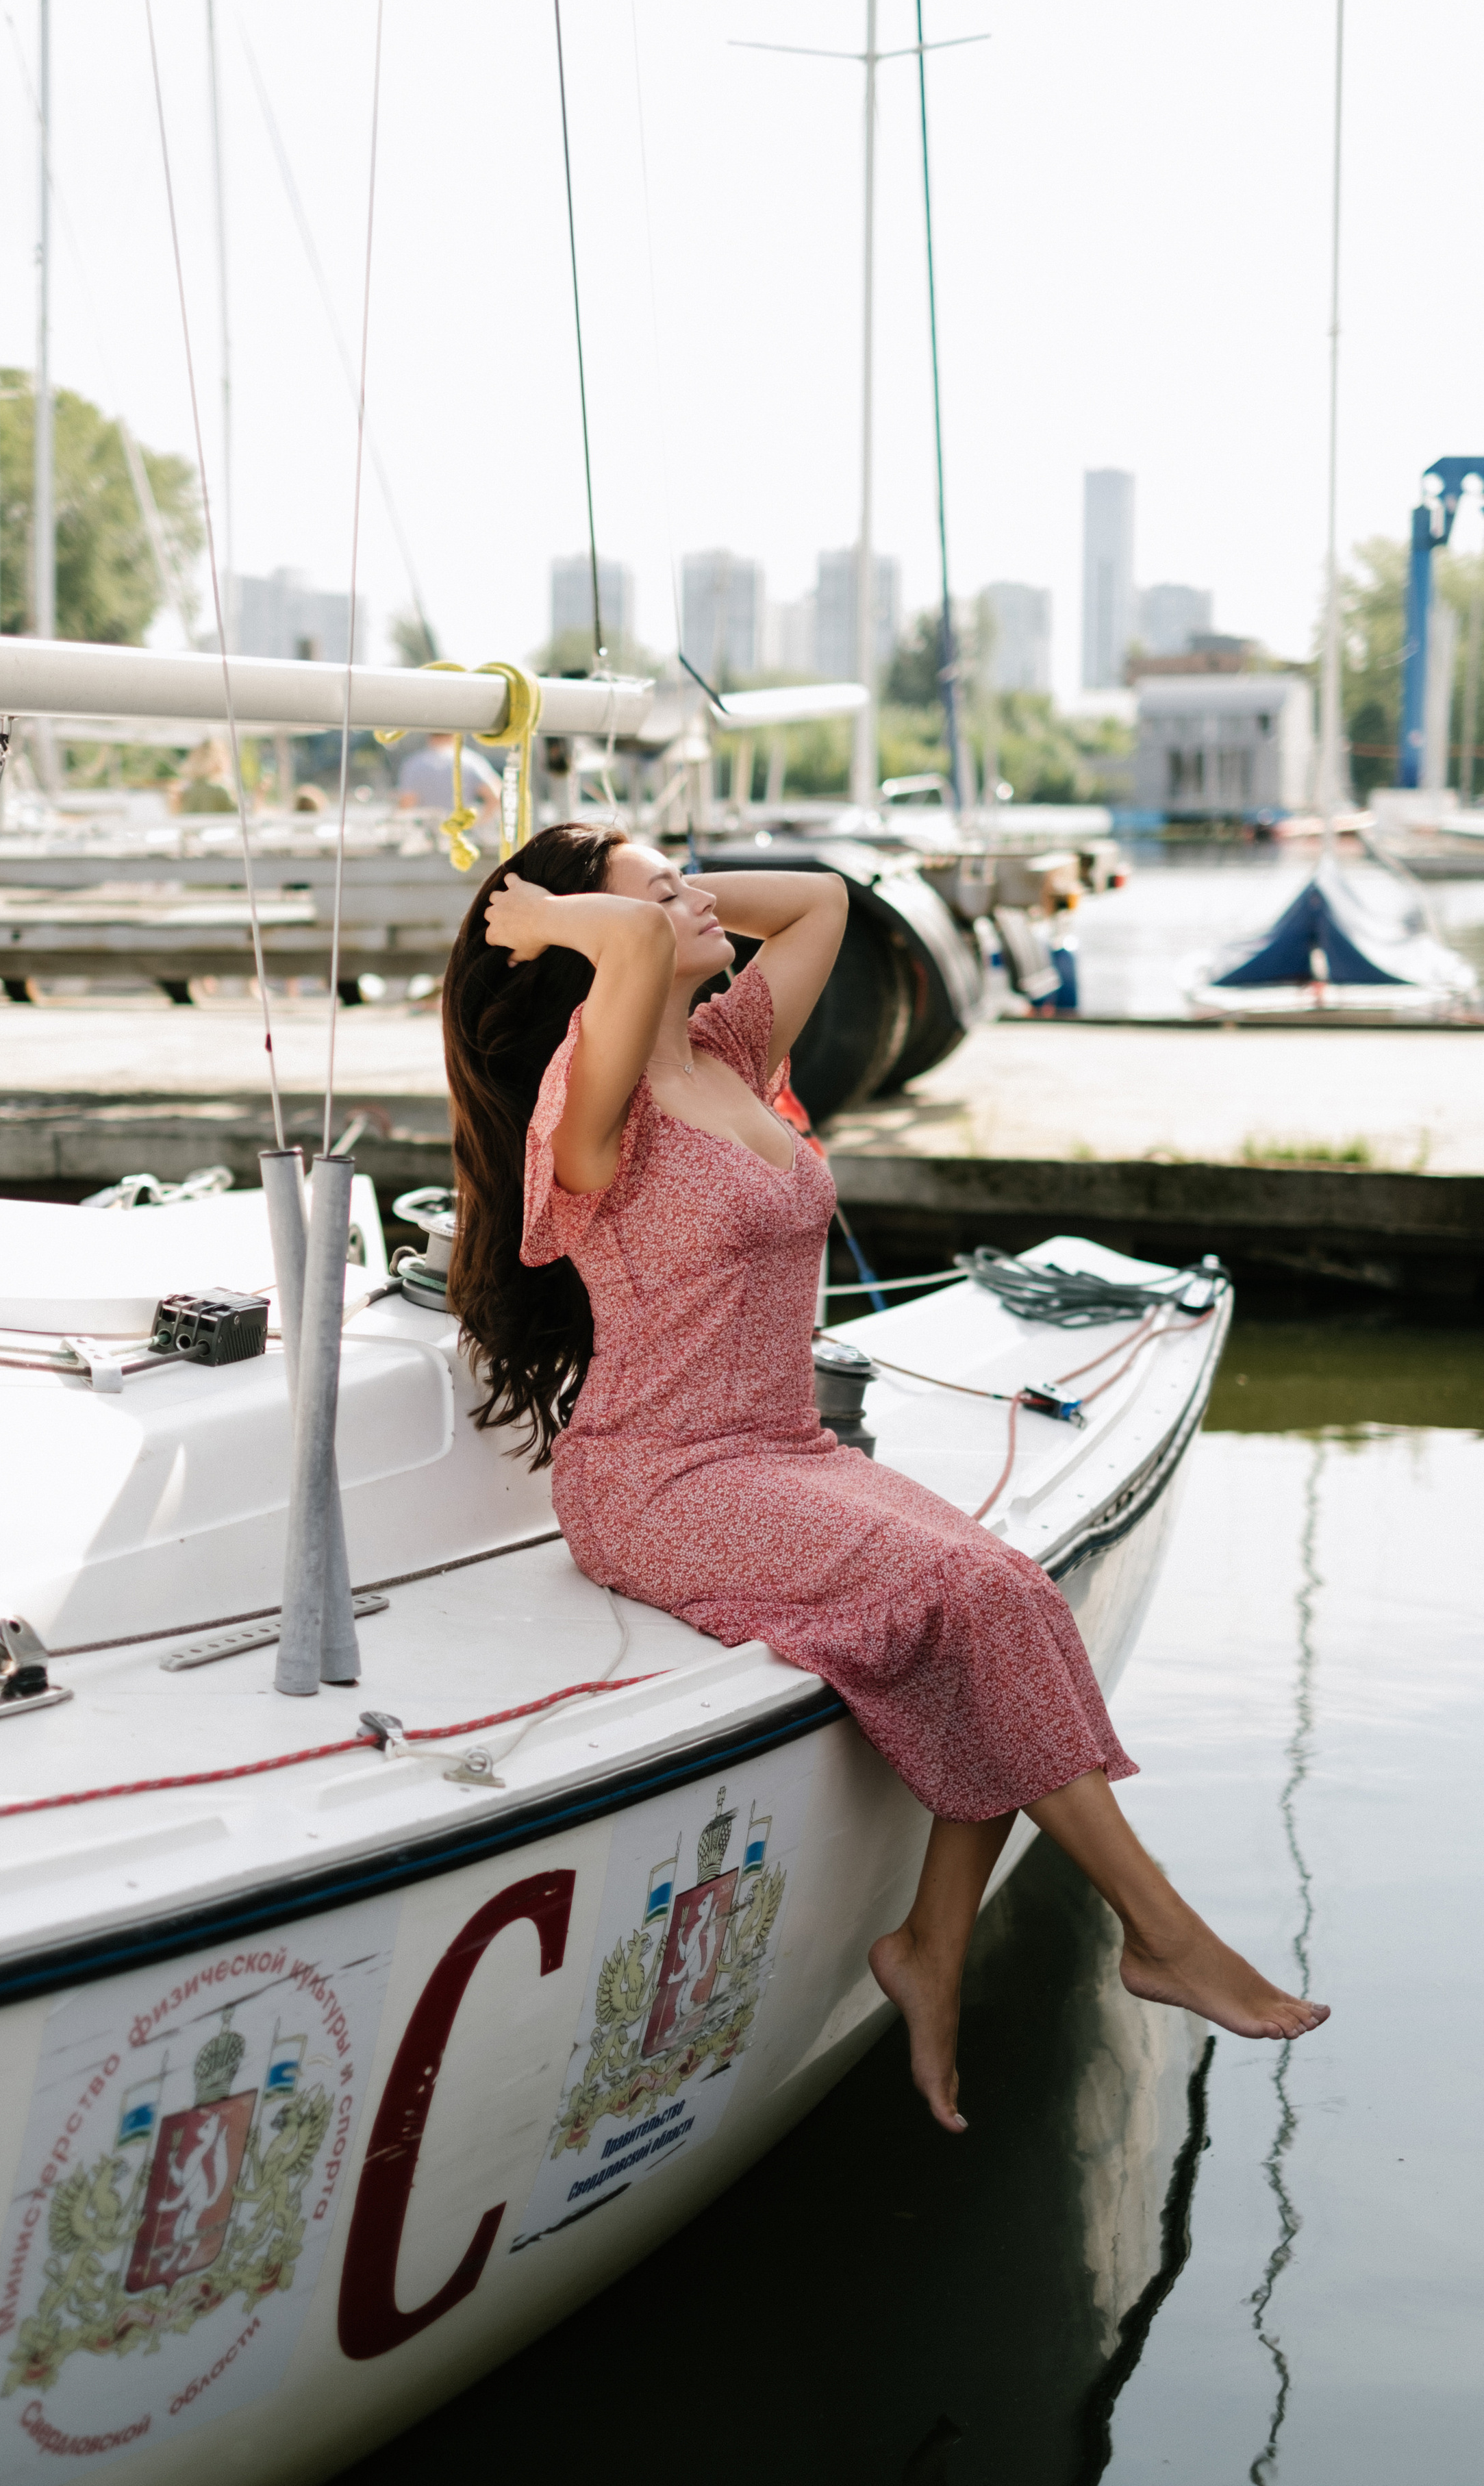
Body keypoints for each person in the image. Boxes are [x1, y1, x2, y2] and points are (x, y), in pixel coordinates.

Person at [441, 824, 1329, 2133]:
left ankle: (929, 1950)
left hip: (784, 1450)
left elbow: (821, 904)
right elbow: (629, 947)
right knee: (968, 1588)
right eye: (657, 891)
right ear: (587, 956)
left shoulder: (729, 1050)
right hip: (659, 1479)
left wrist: (654, 891)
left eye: (687, 875)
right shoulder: (595, 1099)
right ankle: (1162, 1931)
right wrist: (584, 918)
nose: (692, 898)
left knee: (1004, 1586)